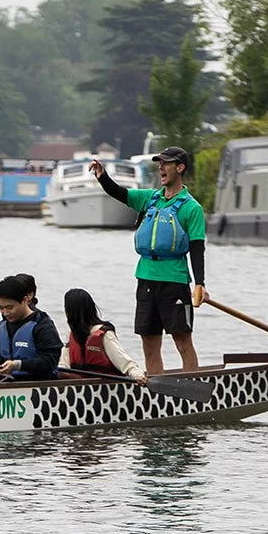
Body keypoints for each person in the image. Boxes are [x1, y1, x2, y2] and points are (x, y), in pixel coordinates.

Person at [90, 146, 207, 374]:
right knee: (149, 342)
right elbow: (120, 193)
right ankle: (156, 392)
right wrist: (103, 177)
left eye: (166, 163)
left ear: (180, 167)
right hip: (145, 278)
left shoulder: (191, 208)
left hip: (174, 280)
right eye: (159, 163)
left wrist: (200, 283)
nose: (160, 167)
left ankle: (192, 386)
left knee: (182, 341)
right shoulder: (149, 199)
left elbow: (196, 248)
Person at [0, 274, 62, 381]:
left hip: (36, 382)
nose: (5, 313)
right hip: (6, 381)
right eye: (1, 308)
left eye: (10, 307)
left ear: (25, 300)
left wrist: (18, 365)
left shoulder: (42, 326)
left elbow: (50, 361)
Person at [57, 288, 146, 384]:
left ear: (70, 312)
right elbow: (63, 365)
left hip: (107, 386)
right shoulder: (72, 335)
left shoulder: (104, 334)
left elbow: (124, 361)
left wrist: (137, 375)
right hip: (82, 386)